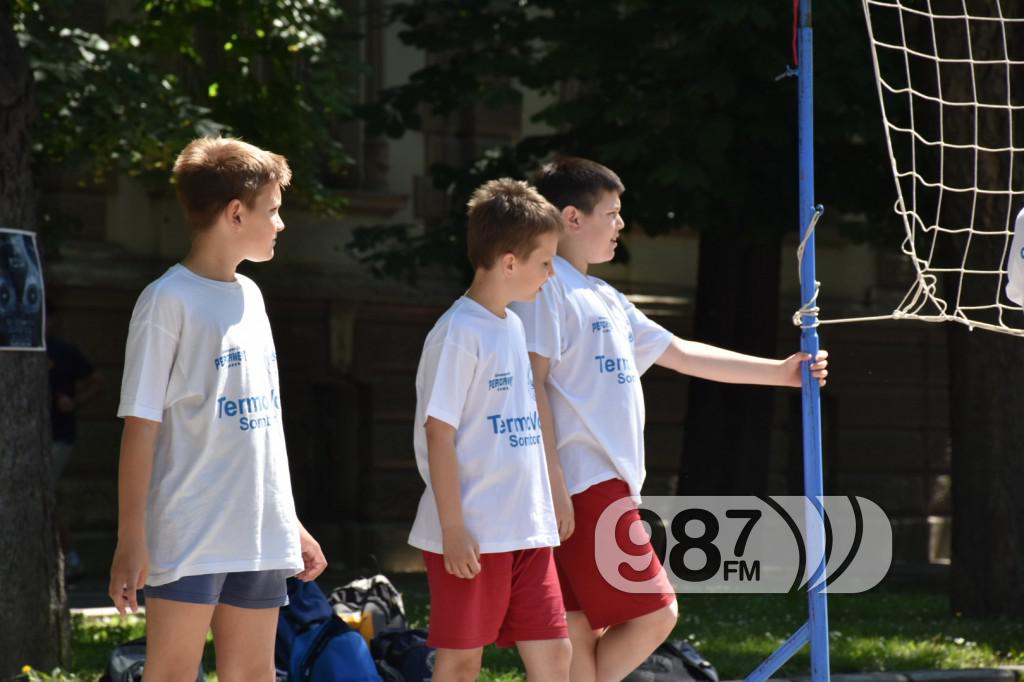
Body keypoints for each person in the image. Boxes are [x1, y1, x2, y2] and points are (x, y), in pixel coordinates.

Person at [509, 157, 829, 682]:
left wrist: (780, 373)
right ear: (571, 218)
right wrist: (557, 483)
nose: (620, 225)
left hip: (604, 485)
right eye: (611, 214)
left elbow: (679, 352)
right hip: (583, 485)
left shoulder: (607, 298)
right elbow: (532, 385)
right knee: (657, 612)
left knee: (581, 632)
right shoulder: (547, 289)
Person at [108, 137, 327, 681]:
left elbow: (262, 428)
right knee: (174, 673)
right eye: (273, 211)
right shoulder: (167, 301)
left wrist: (289, 521)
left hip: (257, 532)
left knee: (254, 674)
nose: (280, 224)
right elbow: (140, 428)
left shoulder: (251, 297)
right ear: (235, 213)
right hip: (188, 531)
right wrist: (131, 536)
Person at [408, 178, 572, 682]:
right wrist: (453, 529)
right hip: (474, 536)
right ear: (508, 262)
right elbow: (439, 433)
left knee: (555, 653)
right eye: (545, 263)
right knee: (462, 663)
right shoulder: (458, 332)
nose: (550, 274)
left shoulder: (513, 325)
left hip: (526, 530)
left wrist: (552, 494)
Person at [47, 301, 106, 580]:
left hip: (58, 436)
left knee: (44, 494)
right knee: (47, 496)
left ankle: (70, 557)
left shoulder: (62, 350)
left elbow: (97, 379)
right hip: (32, 437)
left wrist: (76, 402)